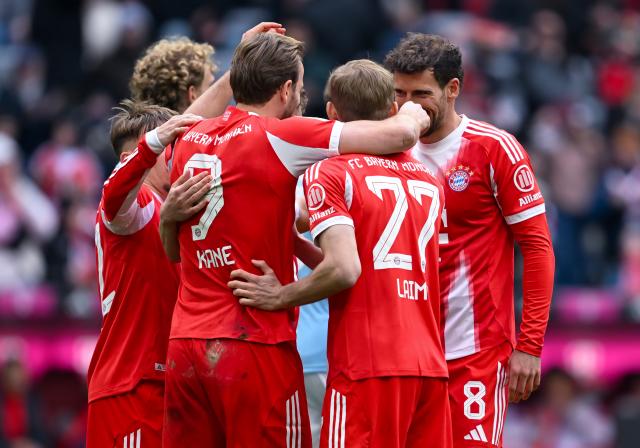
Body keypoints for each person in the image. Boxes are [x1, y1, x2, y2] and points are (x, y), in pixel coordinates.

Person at [160, 34, 429, 447]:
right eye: (300, 87)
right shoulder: (282, 135)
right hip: (253, 340)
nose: (302, 96)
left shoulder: (189, 137)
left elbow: (155, 176)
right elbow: (397, 138)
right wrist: (413, 113)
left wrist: (167, 219)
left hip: (186, 344)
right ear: (285, 90)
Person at [230, 59, 452, 447]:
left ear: (332, 112)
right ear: (391, 110)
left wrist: (279, 295)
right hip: (429, 365)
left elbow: (344, 270)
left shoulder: (330, 172)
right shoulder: (429, 179)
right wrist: (295, 244)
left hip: (366, 364)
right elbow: (370, 268)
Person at [384, 33, 555, 447]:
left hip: (473, 352)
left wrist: (529, 345)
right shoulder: (384, 148)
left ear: (453, 89)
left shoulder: (494, 149)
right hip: (404, 354)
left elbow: (537, 248)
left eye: (421, 93)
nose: (408, 104)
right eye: (399, 92)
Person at [86, 101, 212, 447]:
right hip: (132, 387)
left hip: (167, 385)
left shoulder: (167, 205)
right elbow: (112, 198)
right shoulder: (136, 203)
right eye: (175, 146)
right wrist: (153, 142)